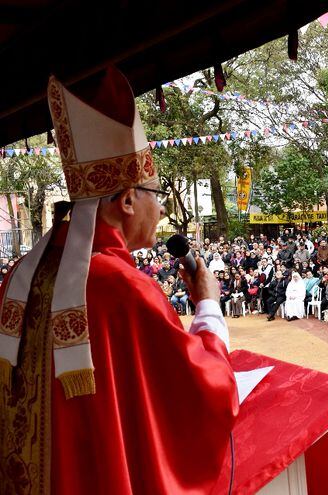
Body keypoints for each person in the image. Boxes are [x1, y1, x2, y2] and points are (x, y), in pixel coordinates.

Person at [0, 70, 237, 493]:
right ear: (128, 199)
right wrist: (208, 306)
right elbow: (205, 394)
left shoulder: (21, 275)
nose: (161, 210)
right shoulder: (122, 287)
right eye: (157, 194)